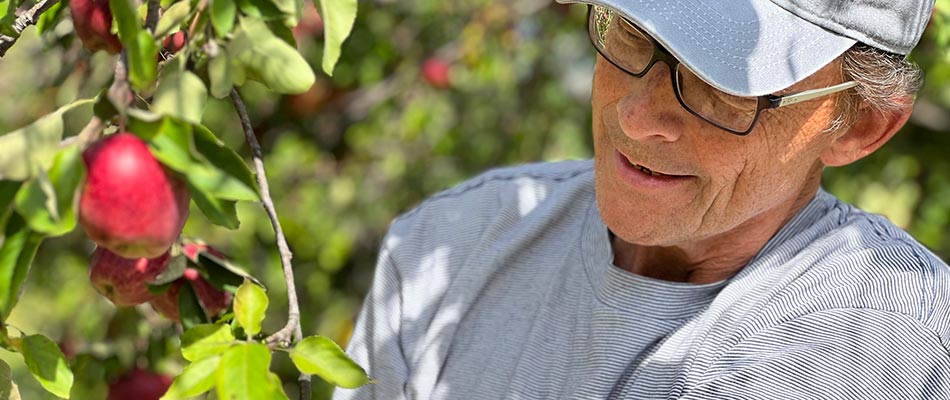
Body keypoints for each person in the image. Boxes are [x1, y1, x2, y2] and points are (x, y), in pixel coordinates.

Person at [334, 0, 950, 398]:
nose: (636, 116)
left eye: (719, 86)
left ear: (860, 125)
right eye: (632, 35)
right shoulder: (448, 245)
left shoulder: (875, 339)